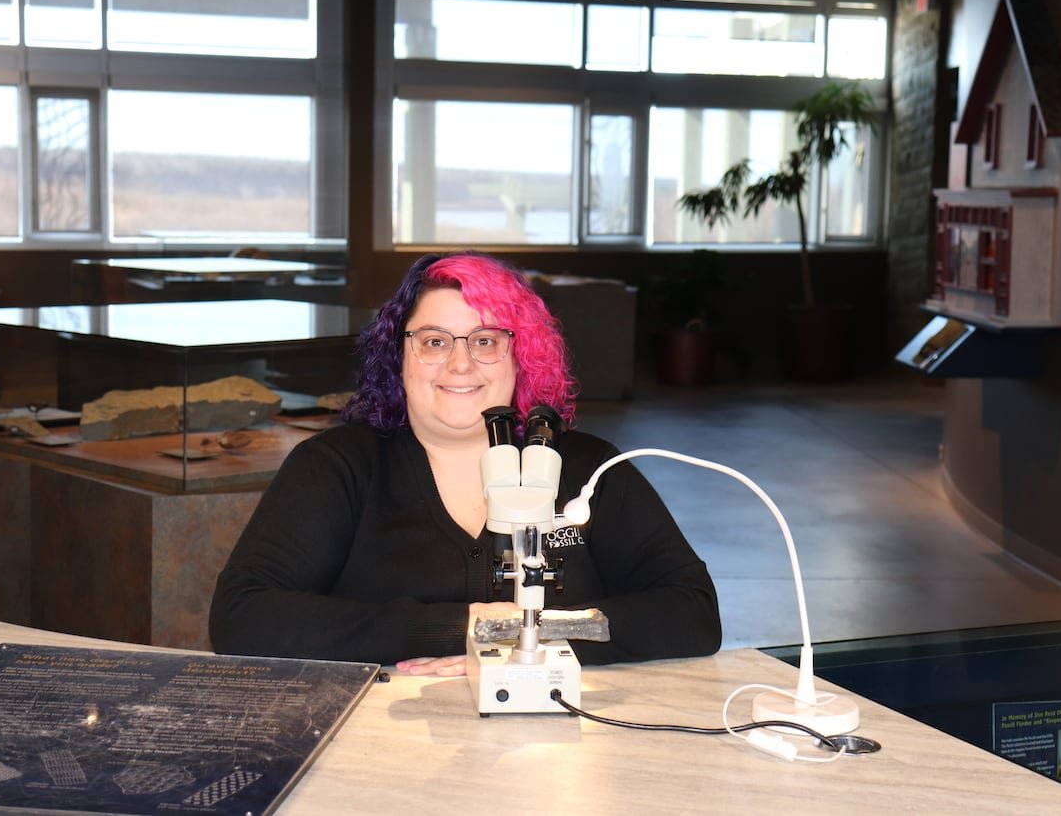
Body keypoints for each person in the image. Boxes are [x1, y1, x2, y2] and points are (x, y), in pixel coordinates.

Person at [209, 252, 721, 675]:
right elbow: (243, 616)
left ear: (522, 355)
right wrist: (458, 627)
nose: (460, 363)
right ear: (399, 356)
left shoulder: (588, 469)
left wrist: (520, 637)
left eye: (485, 341)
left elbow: (692, 612)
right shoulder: (337, 467)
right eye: (434, 341)